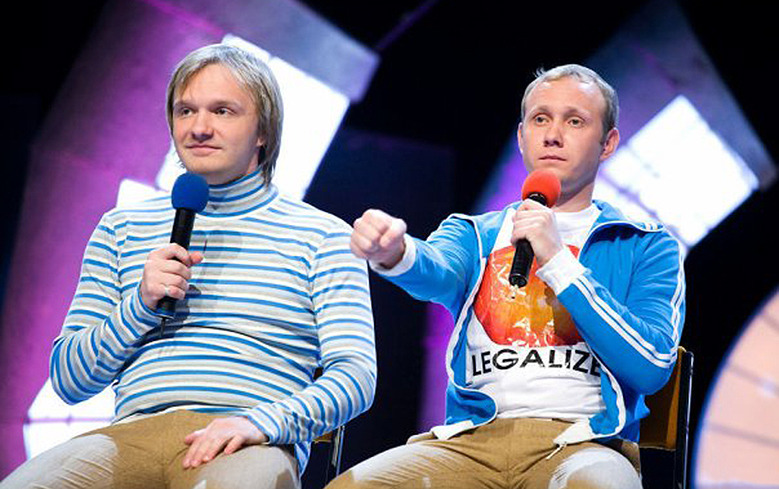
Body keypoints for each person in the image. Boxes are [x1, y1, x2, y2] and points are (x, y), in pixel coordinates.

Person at [1, 44, 376, 489]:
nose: (199, 128)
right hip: (129, 436)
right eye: (185, 111)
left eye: (222, 111)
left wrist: (263, 423)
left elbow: (356, 376)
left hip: (246, 437)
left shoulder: (324, 236)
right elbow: (69, 380)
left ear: (263, 130)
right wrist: (139, 305)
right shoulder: (122, 227)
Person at [336, 64, 685, 488]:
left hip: (582, 444)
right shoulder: (475, 234)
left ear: (608, 143)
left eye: (574, 121)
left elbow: (651, 367)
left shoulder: (643, 245)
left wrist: (558, 260)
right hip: (471, 443)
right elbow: (437, 269)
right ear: (521, 137)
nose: (552, 135)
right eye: (540, 119)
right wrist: (396, 252)